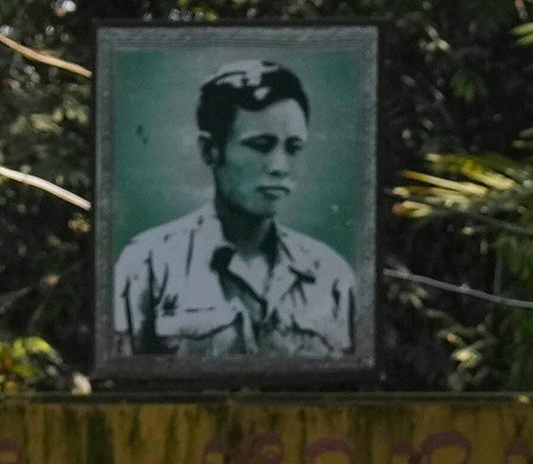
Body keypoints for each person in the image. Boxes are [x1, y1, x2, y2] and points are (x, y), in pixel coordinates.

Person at [109, 58, 361, 363]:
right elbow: (124, 385)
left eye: (293, 148)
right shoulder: (147, 265)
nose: (280, 167)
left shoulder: (331, 275)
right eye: (260, 145)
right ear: (210, 150)